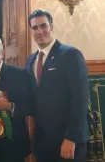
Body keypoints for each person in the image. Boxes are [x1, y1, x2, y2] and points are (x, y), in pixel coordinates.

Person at [26, 9, 89, 162]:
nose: (40, 31)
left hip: (67, 139)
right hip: (42, 140)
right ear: (30, 30)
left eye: (43, 26)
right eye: (35, 28)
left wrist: (71, 138)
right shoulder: (31, 60)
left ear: (51, 26)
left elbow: (80, 99)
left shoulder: (70, 54)